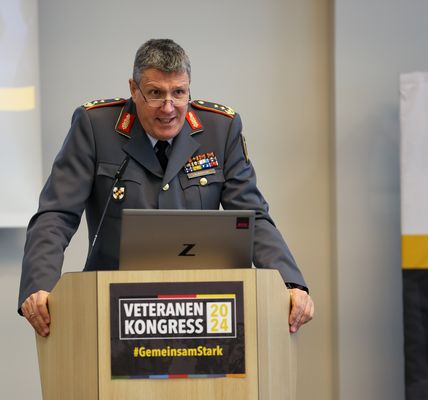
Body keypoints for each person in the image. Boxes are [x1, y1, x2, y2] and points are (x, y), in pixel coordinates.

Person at [19, 38, 314, 337]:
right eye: (155, 94)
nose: (169, 108)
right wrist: (40, 285)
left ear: (189, 89)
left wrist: (290, 283)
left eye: (179, 93)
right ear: (134, 90)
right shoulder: (96, 126)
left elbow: (254, 217)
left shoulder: (220, 129)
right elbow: (56, 214)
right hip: (112, 309)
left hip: (200, 310)